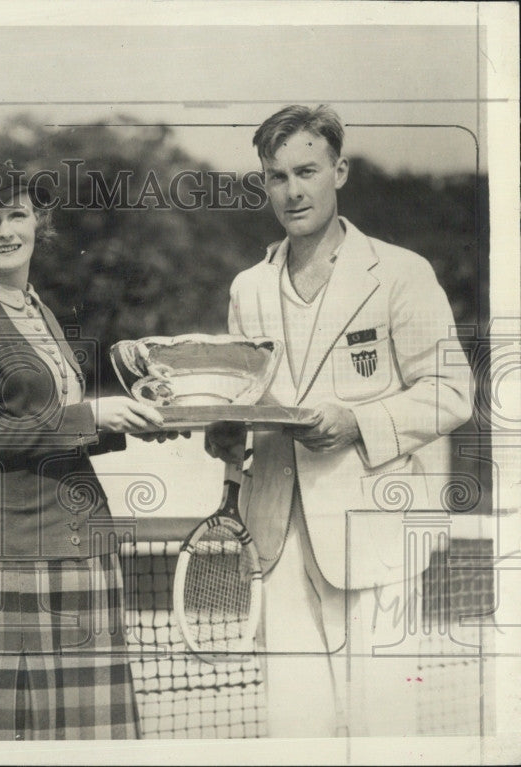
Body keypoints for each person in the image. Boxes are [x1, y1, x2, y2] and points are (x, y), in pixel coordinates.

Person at [204, 104, 474, 737]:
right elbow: (246, 406)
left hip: (372, 539)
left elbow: (451, 392)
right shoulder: (248, 288)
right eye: (276, 177)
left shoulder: (401, 273)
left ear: (339, 171)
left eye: (307, 171)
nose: (293, 191)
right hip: (276, 537)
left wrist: (357, 422)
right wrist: (224, 434)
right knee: (295, 734)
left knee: (384, 732)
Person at [0, 156, 168, 740]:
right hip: (8, 553)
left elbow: (55, 431)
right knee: (5, 738)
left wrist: (126, 424)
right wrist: (93, 413)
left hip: (82, 542)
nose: (6, 231)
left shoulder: (39, 312)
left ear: (39, 224)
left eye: (17, 215)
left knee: (91, 739)